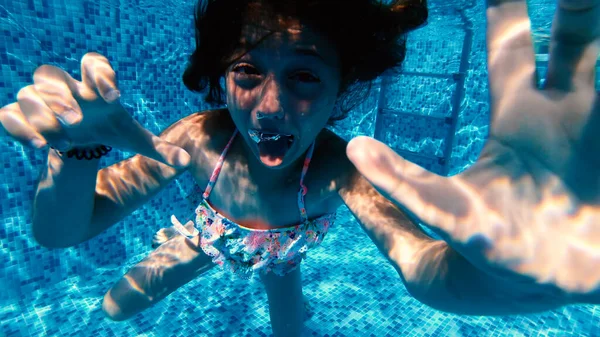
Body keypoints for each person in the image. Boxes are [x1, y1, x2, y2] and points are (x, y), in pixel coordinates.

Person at [0, 0, 598, 335]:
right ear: (222, 76)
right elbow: (62, 233)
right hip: (208, 241)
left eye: (305, 76)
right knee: (112, 308)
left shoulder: (340, 169)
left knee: (290, 334)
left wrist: (508, 283)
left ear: (342, 87)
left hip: (284, 253)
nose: (270, 107)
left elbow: (420, 263)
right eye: (247, 72)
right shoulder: (197, 140)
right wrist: (75, 156)